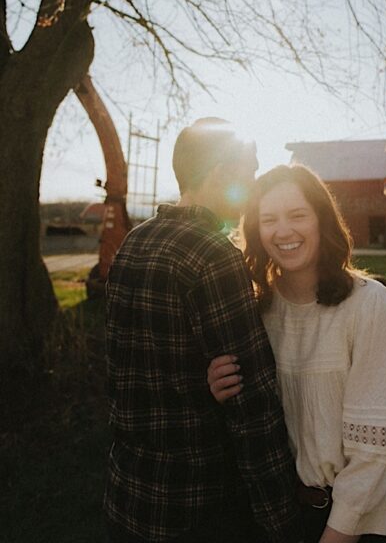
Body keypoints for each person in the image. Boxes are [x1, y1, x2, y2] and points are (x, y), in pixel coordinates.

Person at [104, 118, 304, 543]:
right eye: (248, 171)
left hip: (129, 496)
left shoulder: (133, 243)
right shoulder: (213, 256)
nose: (252, 183)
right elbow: (253, 407)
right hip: (199, 507)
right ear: (218, 173)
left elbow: (125, 374)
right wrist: (282, 518)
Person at [207, 164, 386, 543]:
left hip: (354, 523)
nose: (283, 231)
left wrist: (338, 533)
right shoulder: (255, 311)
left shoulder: (369, 306)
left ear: (323, 221)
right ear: (255, 230)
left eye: (297, 215)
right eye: (268, 219)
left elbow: (377, 450)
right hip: (276, 516)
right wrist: (217, 388)